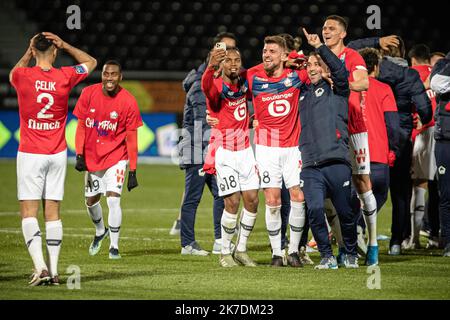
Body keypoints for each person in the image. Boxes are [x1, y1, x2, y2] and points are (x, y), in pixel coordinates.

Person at [10, 32, 96, 285]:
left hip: (30, 153)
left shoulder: (22, 76)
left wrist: (28, 52)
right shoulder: (65, 75)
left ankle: (41, 268)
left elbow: (13, 72)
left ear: (34, 51)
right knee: (53, 212)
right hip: (57, 153)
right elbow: (91, 62)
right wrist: (66, 45)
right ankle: (56, 271)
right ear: (55, 51)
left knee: (28, 211)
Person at [347, 35, 432, 255]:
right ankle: (395, 242)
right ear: (404, 54)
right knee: (399, 193)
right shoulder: (408, 75)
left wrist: (377, 40)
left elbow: (348, 48)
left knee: (360, 189)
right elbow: (424, 108)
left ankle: (357, 229)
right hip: (398, 137)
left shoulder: (367, 74)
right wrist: (419, 121)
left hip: (364, 138)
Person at [246, 35, 309, 267]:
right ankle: (276, 253)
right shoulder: (254, 78)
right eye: (264, 51)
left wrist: (292, 59)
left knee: (298, 197)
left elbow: (311, 63)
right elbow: (237, 76)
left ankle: (293, 251)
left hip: (293, 148)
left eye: (272, 51)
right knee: (272, 200)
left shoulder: (295, 76)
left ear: (284, 55)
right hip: (266, 148)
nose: (266, 55)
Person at [299, 29, 357, 269]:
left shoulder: (338, 88)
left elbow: (341, 71)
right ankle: (327, 256)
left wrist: (320, 47)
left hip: (336, 161)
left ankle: (350, 253)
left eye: (317, 64)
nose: (312, 68)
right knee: (313, 210)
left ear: (325, 67)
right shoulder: (301, 94)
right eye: (309, 64)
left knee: (345, 212)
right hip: (311, 165)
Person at [73, 60, 142, 260]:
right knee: (91, 201)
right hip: (93, 158)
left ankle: (114, 246)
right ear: (102, 75)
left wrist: (133, 171)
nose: (109, 78)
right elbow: (81, 127)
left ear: (120, 77)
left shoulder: (128, 101)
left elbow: (132, 139)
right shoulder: (88, 94)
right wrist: (79, 154)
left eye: (113, 74)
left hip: (116, 158)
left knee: (113, 199)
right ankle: (99, 230)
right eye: (106, 74)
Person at [322, 16, 378, 259]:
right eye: (324, 28)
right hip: (324, 129)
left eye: (331, 28)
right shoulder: (319, 57)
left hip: (353, 128)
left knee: (362, 183)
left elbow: (364, 83)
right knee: (327, 187)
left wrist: (337, 81)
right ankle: (347, 242)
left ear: (343, 34)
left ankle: (373, 242)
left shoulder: (352, 56)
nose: (326, 31)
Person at [177, 32, 237, 255]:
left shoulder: (215, 81)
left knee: (222, 194)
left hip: (209, 148)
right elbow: (207, 121)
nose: (229, 55)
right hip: (198, 149)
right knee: (193, 197)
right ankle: (187, 244)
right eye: (225, 50)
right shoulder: (202, 85)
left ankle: (219, 240)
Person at [202, 47, 260, 267]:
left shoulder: (244, 80)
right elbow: (206, 88)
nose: (234, 64)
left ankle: (241, 249)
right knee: (232, 202)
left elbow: (259, 69)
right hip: (225, 152)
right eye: (229, 61)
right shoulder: (217, 85)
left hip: (246, 151)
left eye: (237, 60)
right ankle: (225, 252)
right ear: (221, 65)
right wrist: (210, 68)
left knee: (253, 200)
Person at [358, 48, 401, 264]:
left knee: (355, 200)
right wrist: (394, 148)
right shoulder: (384, 88)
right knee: (379, 196)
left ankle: (356, 233)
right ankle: (361, 232)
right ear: (376, 67)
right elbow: (393, 125)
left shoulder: (349, 88)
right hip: (378, 154)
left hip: (353, 155)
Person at [407, 44, 438, 249]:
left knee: (418, 185)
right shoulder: (439, 72)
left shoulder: (411, 74)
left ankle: (414, 238)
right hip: (443, 132)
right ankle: (437, 237)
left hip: (423, 132)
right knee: (439, 187)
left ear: (413, 60)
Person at [430, 52, 450, 257]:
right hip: (446, 139)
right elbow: (437, 84)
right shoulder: (443, 64)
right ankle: (449, 242)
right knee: (446, 193)